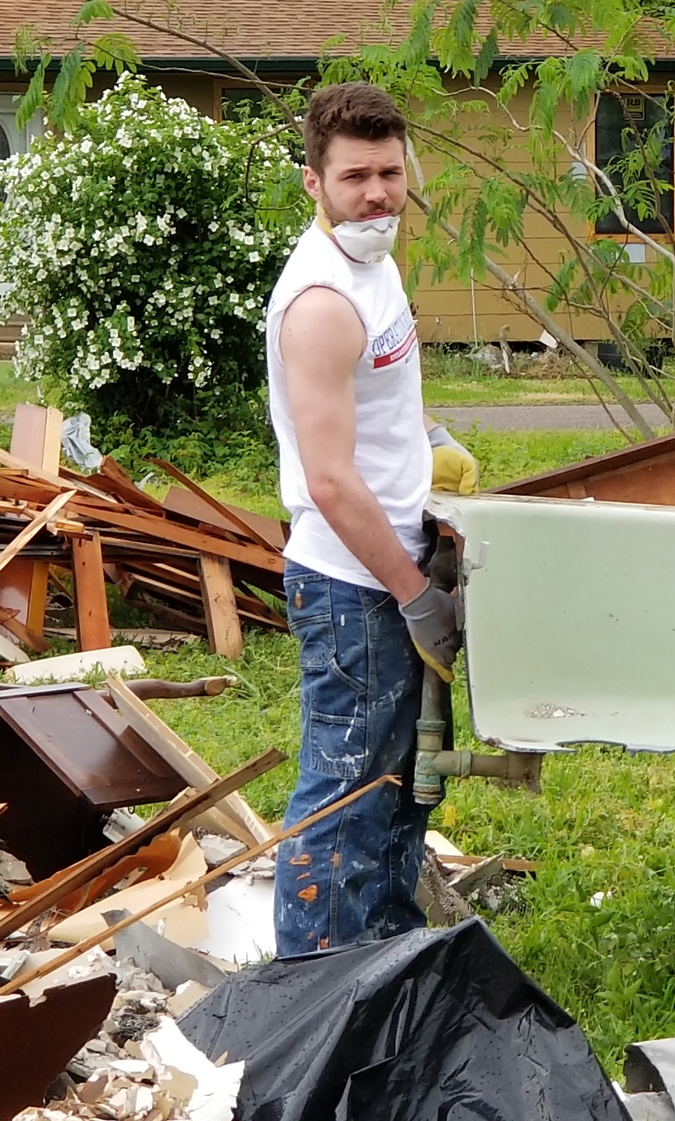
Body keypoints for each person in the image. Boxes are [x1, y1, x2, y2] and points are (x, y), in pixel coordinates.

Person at [266, 81, 462, 955]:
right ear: (314, 181)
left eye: (390, 172)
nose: (377, 193)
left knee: (401, 783)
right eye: (354, 177)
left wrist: (428, 440)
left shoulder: (372, 262)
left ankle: (385, 961)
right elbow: (332, 480)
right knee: (344, 793)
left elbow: (373, 408)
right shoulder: (320, 303)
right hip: (354, 583)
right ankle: (314, 988)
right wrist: (415, 594)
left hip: (389, 557)